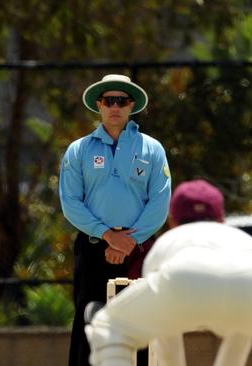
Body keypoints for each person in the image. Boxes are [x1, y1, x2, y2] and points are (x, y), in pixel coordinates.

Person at [85, 179, 252, 366]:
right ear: (221, 219)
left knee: (109, 327)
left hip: (183, 279)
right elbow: (244, 327)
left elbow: (166, 331)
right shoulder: (243, 238)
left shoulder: (169, 240)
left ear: (173, 221)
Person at [59, 74, 171, 366]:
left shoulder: (152, 149)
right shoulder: (78, 150)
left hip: (139, 249)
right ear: (99, 105)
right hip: (94, 247)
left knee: (140, 323)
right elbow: (70, 202)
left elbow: (160, 201)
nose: (115, 107)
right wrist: (109, 236)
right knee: (88, 322)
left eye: (122, 101)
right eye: (109, 100)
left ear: (131, 105)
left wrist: (129, 241)